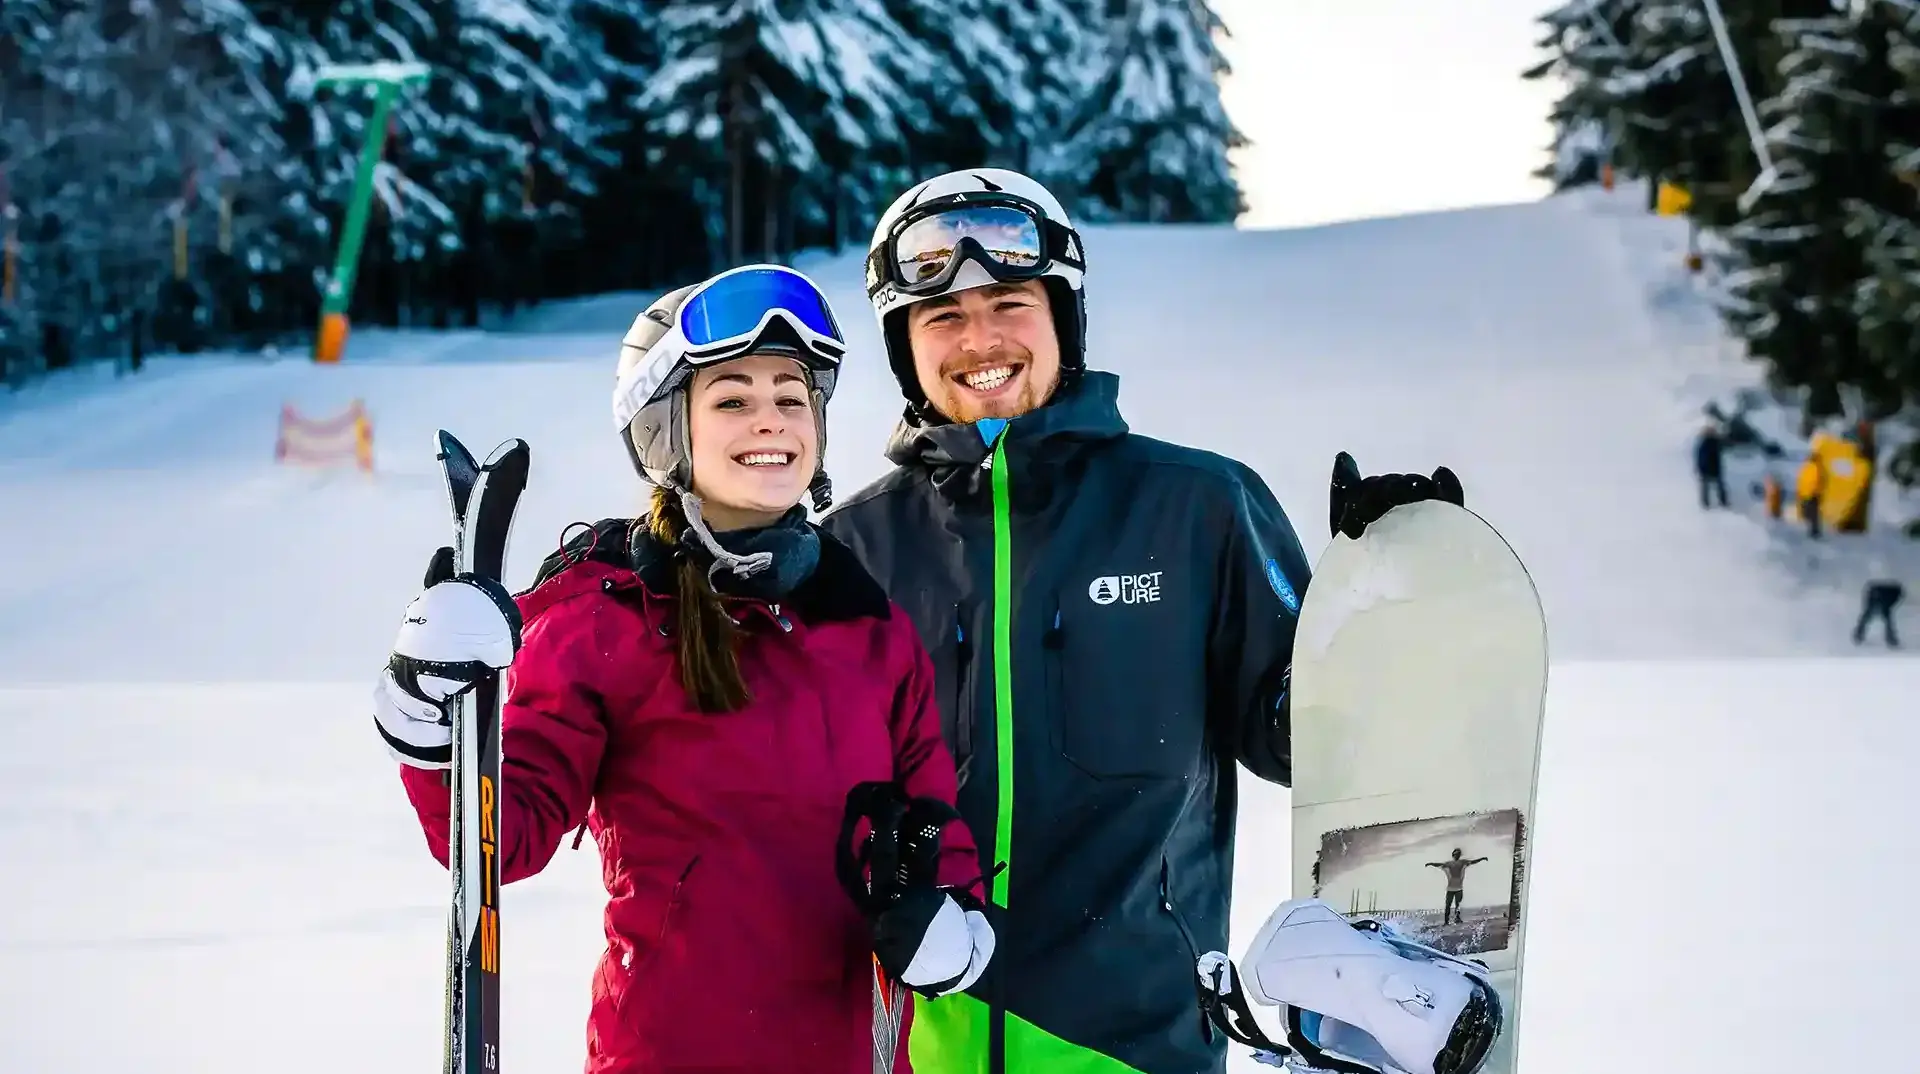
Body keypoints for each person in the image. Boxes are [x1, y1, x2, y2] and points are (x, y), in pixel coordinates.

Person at [819, 167, 1468, 1074]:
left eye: (1009, 303)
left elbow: (1300, 739)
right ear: (907, 347)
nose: (981, 340)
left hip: (1137, 1040)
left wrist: (1375, 615)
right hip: (908, 1044)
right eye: (944, 319)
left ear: (1061, 320)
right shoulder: (850, 549)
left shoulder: (1197, 505)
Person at [371, 264, 996, 1074]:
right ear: (669, 431)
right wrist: (431, 714)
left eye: (791, 397)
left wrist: (951, 919)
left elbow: (929, 816)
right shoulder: (610, 621)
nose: (770, 421)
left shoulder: (867, 625)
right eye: (732, 399)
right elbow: (503, 833)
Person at [1425, 848, 1488, 925]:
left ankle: (1456, 919)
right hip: (1451, 889)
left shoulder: (1462, 862)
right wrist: (1431, 863)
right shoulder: (1449, 863)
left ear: (1459, 855)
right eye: (1456, 854)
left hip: (1458, 888)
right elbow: (1439, 864)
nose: (1457, 855)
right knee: (1449, 905)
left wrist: (1481, 859)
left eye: (1458, 854)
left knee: (1457, 905)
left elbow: (1473, 862)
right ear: (1453, 855)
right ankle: (1446, 921)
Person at [1854, 579, 1903, 647]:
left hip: (1876, 591)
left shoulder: (1894, 591)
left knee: (1869, 615)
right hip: (1879, 592)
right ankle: (1890, 639)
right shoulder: (1895, 592)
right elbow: (1892, 602)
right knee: (1882, 616)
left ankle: (1858, 635)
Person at [1694, 421, 1727, 508]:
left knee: (1717, 486)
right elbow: (1700, 457)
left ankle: (1721, 501)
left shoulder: (1714, 442)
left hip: (1713, 468)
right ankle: (1707, 503)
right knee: (1708, 487)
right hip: (1709, 468)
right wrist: (1700, 467)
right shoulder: (1705, 444)